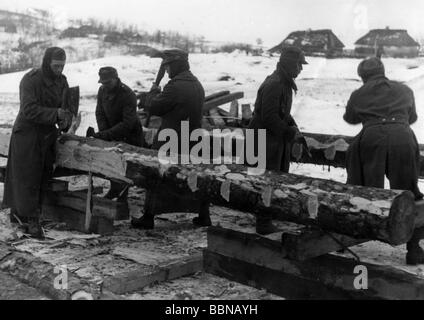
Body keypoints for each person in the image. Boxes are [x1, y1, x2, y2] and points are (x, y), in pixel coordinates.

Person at [344, 57, 424, 265]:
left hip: (371, 139)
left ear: (362, 76)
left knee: (362, 191)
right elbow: (412, 117)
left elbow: (350, 118)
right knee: (409, 193)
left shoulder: (358, 93)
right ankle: (414, 249)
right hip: (403, 138)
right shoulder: (405, 90)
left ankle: (345, 238)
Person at [131, 49, 210, 230]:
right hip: (193, 137)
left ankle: (148, 216)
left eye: (168, 67)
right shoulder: (197, 84)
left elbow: (154, 107)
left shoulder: (174, 86)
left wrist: (152, 93)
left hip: (171, 138)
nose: (166, 71)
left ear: (176, 65)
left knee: (157, 174)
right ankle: (203, 215)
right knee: (194, 175)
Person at [3, 47, 73, 238]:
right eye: (56, 66)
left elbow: (65, 106)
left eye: (62, 66)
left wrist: (66, 119)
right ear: (47, 62)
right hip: (27, 135)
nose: (59, 70)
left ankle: (27, 216)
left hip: (47, 135)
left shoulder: (62, 81)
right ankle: (29, 219)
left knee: (42, 177)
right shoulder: (31, 79)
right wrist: (55, 114)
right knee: (27, 178)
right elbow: (29, 110)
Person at [248, 46, 308, 235]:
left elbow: (282, 113)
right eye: (299, 64)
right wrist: (289, 132)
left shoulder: (284, 82)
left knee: (273, 178)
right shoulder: (275, 83)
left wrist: (293, 127)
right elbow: (269, 117)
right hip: (263, 139)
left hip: (272, 138)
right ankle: (263, 222)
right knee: (267, 179)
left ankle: (267, 214)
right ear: (290, 64)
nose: (301, 68)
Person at [87, 67, 145, 202]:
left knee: (126, 168)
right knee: (111, 163)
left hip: (130, 135)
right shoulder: (102, 90)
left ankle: (122, 197)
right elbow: (99, 112)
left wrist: (106, 134)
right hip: (111, 133)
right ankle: (115, 189)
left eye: (108, 82)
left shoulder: (127, 94)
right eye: (103, 83)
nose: (105, 85)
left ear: (116, 78)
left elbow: (127, 123)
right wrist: (104, 132)